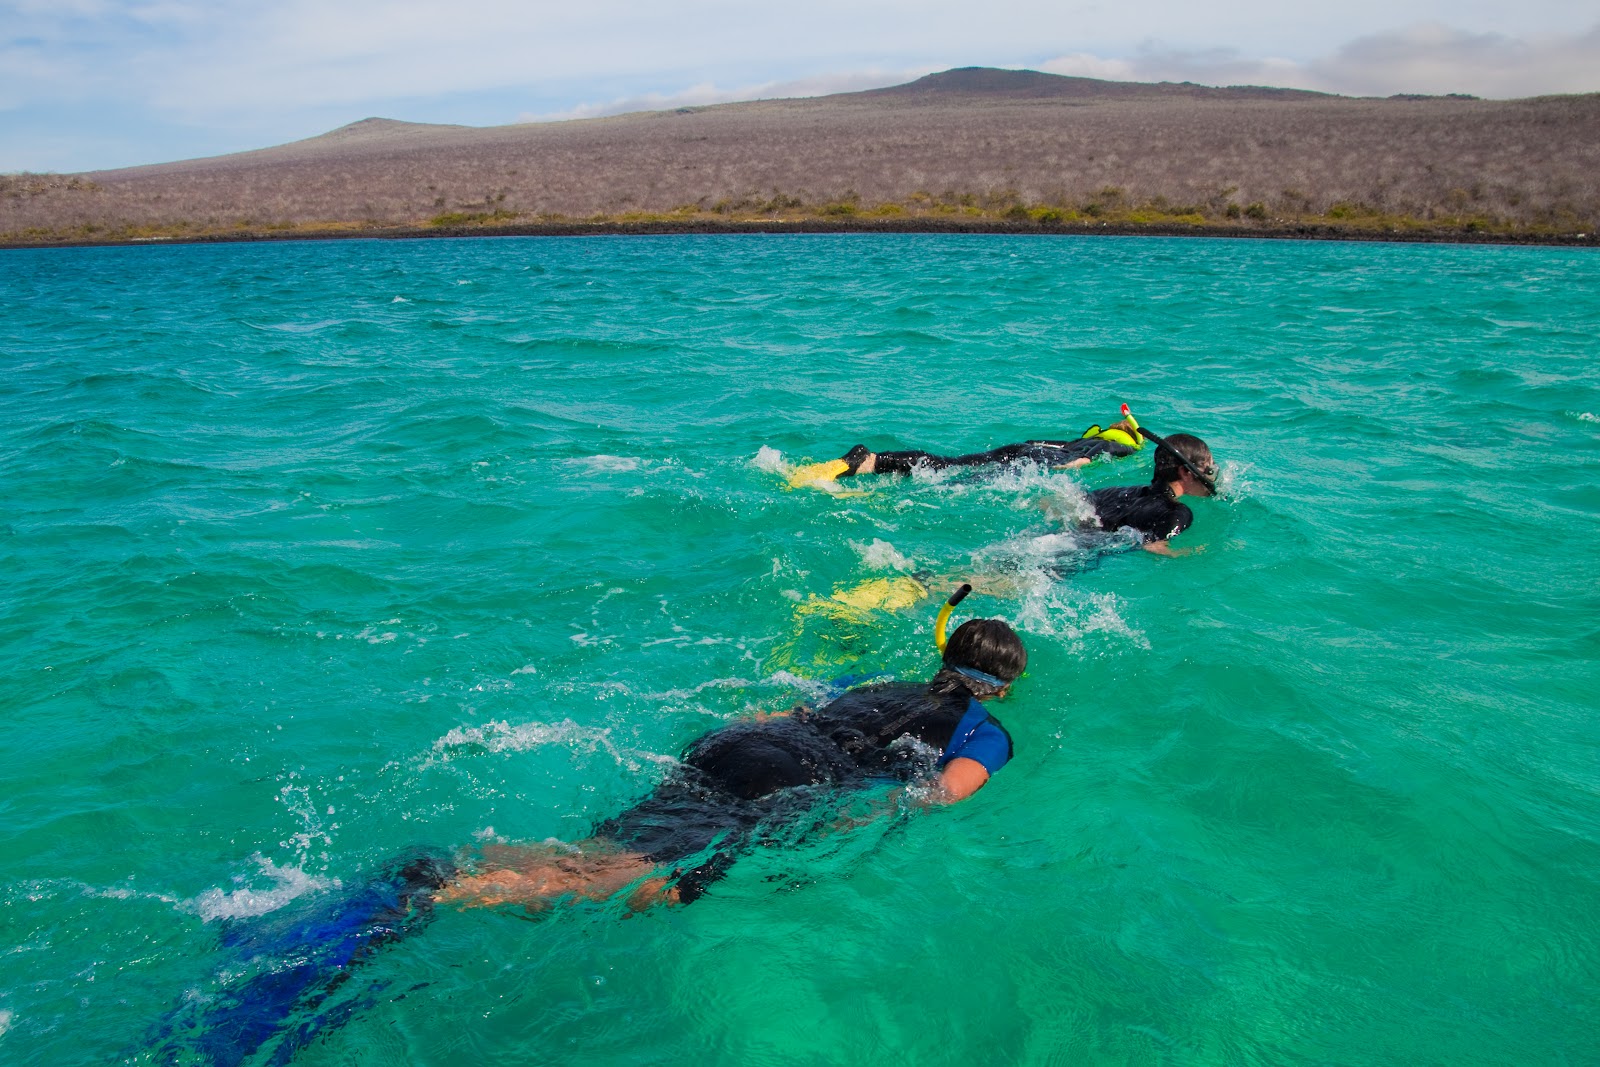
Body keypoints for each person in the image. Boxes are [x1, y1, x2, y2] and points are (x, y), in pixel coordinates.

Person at [437, 617, 1028, 910]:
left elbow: (784, 712)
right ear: (1002, 687)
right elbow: (942, 792)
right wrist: (857, 820)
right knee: (659, 883)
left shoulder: (875, 681)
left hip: (740, 745)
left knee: (626, 842)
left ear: (944, 656)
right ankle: (457, 895)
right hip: (794, 780)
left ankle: (453, 869)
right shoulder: (987, 732)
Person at [786, 412, 1145, 487]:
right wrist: (1070, 468)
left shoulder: (1088, 434)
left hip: (1020, 447)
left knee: (950, 464)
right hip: (1039, 459)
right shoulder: (1113, 444)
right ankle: (870, 462)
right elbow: (1089, 455)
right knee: (960, 481)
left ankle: (869, 461)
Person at [1079, 430, 1217, 556]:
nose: (1211, 478)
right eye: (1209, 470)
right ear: (1185, 472)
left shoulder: (1117, 492)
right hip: (1087, 553)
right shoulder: (1178, 513)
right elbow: (1153, 547)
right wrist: (1193, 553)